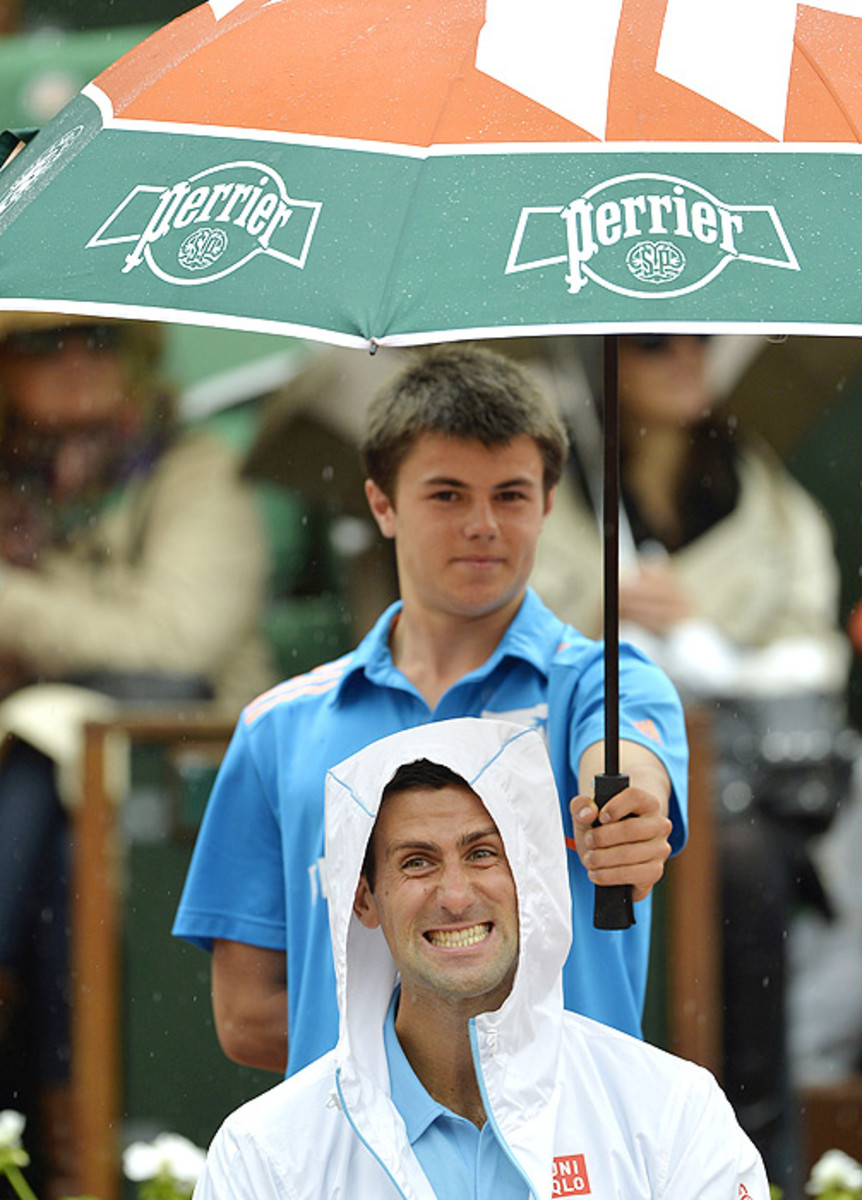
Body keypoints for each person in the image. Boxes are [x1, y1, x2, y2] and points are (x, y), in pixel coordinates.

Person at [173, 343, 689, 1083]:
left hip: (570, 1163)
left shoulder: (609, 686)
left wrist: (629, 820)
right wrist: (427, 1087)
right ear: (381, 503)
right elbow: (247, 1017)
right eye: (447, 494)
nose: (483, 523)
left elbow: (627, 776)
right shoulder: (277, 729)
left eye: (510, 495)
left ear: (549, 503)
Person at [530, 332, 853, 1191]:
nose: (686, 361)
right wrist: (607, 606)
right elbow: (533, 617)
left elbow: (811, 631)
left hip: (755, 790)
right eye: (649, 344)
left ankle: (756, 1158)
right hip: (589, 802)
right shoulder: (562, 475)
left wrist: (707, 634)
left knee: (746, 878)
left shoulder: (754, 478)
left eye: (701, 341)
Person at [193, 717, 768, 1199]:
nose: (457, 896)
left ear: (532, 877)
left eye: (484, 853)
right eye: (417, 862)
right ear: (364, 898)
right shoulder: (265, 1156)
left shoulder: (670, 1113)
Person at [0, 312, 275, 1199]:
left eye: (100, 338)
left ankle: (79, 1158)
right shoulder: (15, 484)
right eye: (45, 344)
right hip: (48, 791)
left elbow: (176, 640)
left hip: (187, 782)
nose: (78, 362)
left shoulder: (195, 469)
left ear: (142, 352)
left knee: (53, 797)